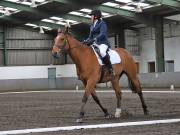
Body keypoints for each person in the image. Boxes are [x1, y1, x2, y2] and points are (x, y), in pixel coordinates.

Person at [83, 10, 114, 77]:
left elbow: (103, 34)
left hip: (103, 43)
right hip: (94, 44)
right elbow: (90, 37)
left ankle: (110, 68)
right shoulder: (91, 26)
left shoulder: (102, 23)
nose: (90, 17)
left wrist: (94, 39)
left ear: (96, 17)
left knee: (102, 52)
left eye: (91, 16)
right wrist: (85, 41)